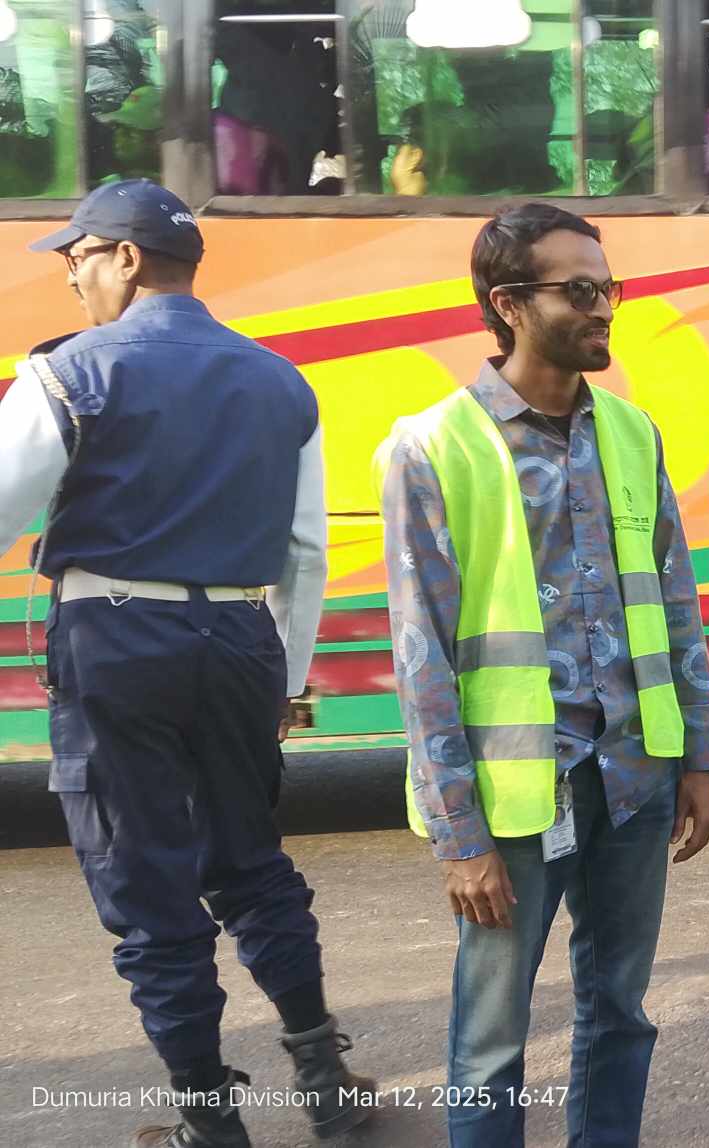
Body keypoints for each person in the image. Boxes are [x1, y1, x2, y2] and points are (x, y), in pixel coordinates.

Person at [0, 179, 372, 1148]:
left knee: (147, 882)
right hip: (242, 642)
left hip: (117, 642)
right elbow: (304, 551)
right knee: (252, 861)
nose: (72, 276)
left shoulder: (68, 373)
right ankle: (325, 1075)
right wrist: (285, 678)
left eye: (78, 256)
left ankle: (210, 1119)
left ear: (125, 258)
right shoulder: (282, 379)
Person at [377, 203, 709, 1148]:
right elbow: (422, 658)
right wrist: (459, 836)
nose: (603, 306)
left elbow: (674, 594)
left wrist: (699, 751)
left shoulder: (632, 433)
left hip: (633, 775)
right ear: (509, 305)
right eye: (579, 290)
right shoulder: (432, 447)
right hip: (512, 798)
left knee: (621, 1012)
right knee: (491, 1043)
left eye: (606, 287)